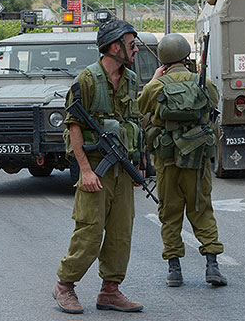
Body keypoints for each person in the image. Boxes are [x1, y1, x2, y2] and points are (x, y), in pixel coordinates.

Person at [54, 20, 144, 314]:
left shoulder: (130, 79)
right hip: (96, 166)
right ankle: (65, 286)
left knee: (121, 233)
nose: (135, 49)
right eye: (131, 44)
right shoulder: (87, 80)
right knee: (90, 232)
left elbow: (135, 124)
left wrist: (138, 165)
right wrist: (86, 171)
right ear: (115, 46)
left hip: (122, 168)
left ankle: (110, 291)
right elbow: (73, 126)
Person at [137, 33, 227, 288]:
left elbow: (138, 108)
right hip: (196, 160)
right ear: (186, 56)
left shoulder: (156, 87)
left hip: (166, 161)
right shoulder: (203, 82)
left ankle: (174, 270)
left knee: (170, 213)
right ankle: (212, 266)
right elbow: (213, 104)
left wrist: (155, 80)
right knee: (201, 209)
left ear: (163, 60)